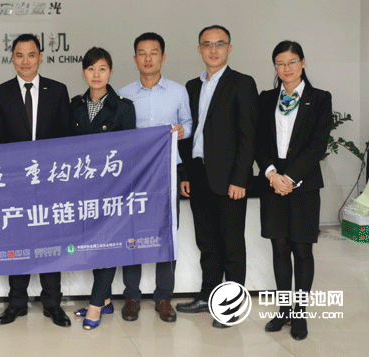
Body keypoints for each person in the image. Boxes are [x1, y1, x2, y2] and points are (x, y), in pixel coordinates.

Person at [176, 25, 257, 328]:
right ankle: (208, 295)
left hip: (228, 178)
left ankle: (232, 307)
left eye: (220, 44)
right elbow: (187, 134)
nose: (213, 50)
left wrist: (240, 179)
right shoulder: (191, 86)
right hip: (198, 174)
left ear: (229, 48)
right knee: (207, 242)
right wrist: (185, 173)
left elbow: (248, 135)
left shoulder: (242, 83)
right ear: (199, 49)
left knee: (231, 245)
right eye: (207, 44)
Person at [0, 33, 72, 328]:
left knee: (51, 242)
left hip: (49, 184)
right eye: (20, 55)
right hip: (15, 185)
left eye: (31, 54)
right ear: (12, 58)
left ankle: (53, 303)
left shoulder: (58, 91)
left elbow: (66, 138)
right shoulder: (0, 93)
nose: (26, 61)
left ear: (41, 57)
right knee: (17, 243)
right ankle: (16, 303)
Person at [255, 41, 331, 341]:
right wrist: (272, 174)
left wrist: (289, 178)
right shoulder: (266, 98)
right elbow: (258, 140)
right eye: (280, 63)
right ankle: (284, 309)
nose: (286, 68)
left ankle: (300, 312)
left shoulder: (319, 98)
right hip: (272, 181)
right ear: (275, 66)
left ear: (302, 63)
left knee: (302, 248)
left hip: (303, 183)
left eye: (291, 62)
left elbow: (318, 145)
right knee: (279, 246)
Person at [118, 32, 192, 323]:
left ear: (163, 56)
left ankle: (163, 297)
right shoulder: (123, 94)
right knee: (132, 232)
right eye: (142, 53)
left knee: (166, 231)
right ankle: (132, 296)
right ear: (135, 58)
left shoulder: (178, 92)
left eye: (154, 52)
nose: (148, 58)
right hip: (135, 175)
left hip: (167, 171)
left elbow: (188, 124)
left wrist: (180, 130)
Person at [70, 47, 136, 329]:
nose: (96, 75)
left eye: (102, 69)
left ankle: (95, 306)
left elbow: (130, 151)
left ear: (110, 72)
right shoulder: (74, 105)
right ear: (83, 72)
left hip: (112, 189)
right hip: (82, 188)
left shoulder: (124, 107)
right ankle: (106, 300)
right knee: (92, 244)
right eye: (90, 69)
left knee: (107, 245)